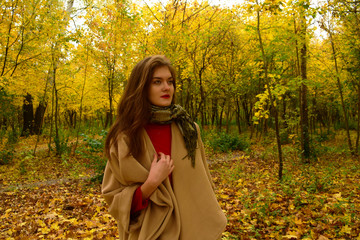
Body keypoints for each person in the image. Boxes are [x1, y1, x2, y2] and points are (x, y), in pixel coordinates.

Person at [102, 55, 227, 240]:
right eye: (157, 82)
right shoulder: (125, 137)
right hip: (148, 233)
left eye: (170, 81)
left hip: (191, 230)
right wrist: (151, 183)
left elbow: (204, 184)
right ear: (142, 87)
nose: (166, 87)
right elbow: (113, 199)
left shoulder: (189, 130)